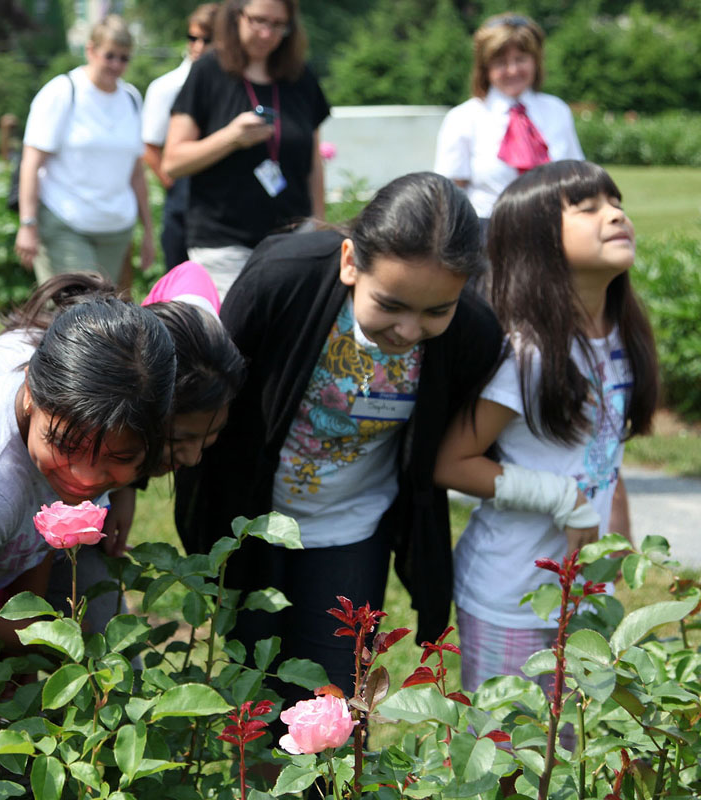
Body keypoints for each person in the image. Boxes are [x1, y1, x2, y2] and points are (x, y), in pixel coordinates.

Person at [174, 172, 504, 697]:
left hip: (353, 528)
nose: (409, 331)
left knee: (337, 701)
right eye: (391, 305)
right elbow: (209, 388)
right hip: (256, 519)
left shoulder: (474, 333)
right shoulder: (283, 277)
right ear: (351, 262)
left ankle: (330, 785)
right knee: (253, 698)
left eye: (436, 310)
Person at [433, 161, 657, 693]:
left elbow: (605, 455)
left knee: (572, 755)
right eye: (589, 207)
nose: (616, 214)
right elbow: (452, 462)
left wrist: (614, 542)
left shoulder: (619, 335)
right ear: (537, 241)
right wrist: (562, 497)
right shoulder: (528, 353)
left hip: (580, 593)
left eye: (616, 201)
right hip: (512, 596)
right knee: (511, 759)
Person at [0, 299, 177, 650]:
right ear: (30, 393)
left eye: (120, 457)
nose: (85, 478)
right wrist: (51, 644)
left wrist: (35, 620)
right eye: (64, 445)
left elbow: (37, 544)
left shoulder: (71, 431)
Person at [163, 0, 330, 298]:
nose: (267, 33)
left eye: (278, 25)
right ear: (236, 16)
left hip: (294, 240)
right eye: (258, 21)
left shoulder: (300, 77)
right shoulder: (208, 72)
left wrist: (319, 226)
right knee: (235, 340)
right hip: (225, 247)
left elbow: (313, 161)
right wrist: (230, 138)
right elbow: (173, 162)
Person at [14, 16, 154, 286]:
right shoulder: (63, 91)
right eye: (109, 55)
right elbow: (31, 163)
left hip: (115, 229)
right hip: (66, 221)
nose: (116, 65)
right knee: (76, 311)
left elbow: (136, 171)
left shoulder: (131, 98)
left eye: (124, 58)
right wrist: (27, 224)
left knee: (104, 315)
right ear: (91, 50)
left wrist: (148, 230)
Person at [433, 13, 584, 235]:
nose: (512, 70)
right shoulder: (464, 118)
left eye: (521, 59)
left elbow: (577, 176)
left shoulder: (557, 110)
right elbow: (450, 194)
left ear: (535, 61)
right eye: (501, 63)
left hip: (554, 231)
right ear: (485, 69)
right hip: (490, 233)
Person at [143, 4, 220, 269]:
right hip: (184, 193)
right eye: (193, 38)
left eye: (207, 39)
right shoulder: (167, 86)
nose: (198, 46)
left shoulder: (232, 85)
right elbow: (150, 146)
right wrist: (173, 184)